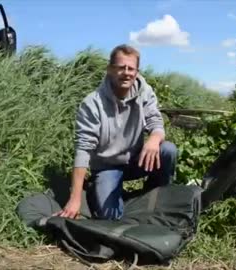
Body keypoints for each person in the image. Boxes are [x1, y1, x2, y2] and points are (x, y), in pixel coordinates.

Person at [56, 44, 178, 220]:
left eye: (131, 68)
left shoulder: (145, 92)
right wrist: (74, 199)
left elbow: (155, 121)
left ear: (136, 71)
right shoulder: (92, 103)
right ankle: (97, 189)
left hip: (136, 160)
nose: (126, 72)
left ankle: (156, 195)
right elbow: (83, 149)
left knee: (167, 150)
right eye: (121, 67)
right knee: (109, 216)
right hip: (107, 166)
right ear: (110, 69)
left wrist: (153, 139)